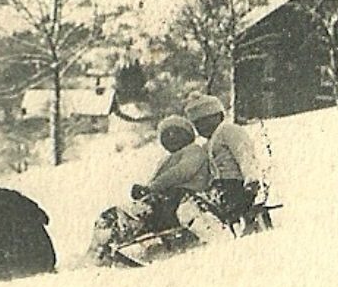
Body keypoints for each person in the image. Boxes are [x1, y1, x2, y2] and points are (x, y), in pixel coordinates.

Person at [90, 115, 213, 261]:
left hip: (180, 197)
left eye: (176, 132)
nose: (171, 137)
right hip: (167, 198)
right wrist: (144, 190)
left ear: (188, 135)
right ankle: (104, 249)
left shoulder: (193, 150)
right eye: (167, 135)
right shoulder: (168, 159)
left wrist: (151, 188)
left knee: (125, 216)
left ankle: (111, 243)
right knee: (113, 216)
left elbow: (182, 172)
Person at [185, 94, 266, 227]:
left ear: (219, 116)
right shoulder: (209, 144)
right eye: (197, 124)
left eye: (205, 120)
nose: (201, 127)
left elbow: (243, 153)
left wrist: (251, 178)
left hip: (235, 185)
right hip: (220, 187)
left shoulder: (228, 130)